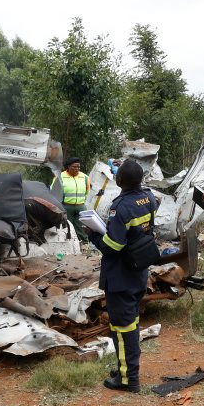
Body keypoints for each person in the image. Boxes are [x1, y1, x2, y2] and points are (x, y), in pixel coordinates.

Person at [86, 160, 158, 392]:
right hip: (137, 271)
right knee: (129, 323)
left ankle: (129, 379)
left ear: (119, 181)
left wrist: (93, 235)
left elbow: (112, 245)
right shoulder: (148, 199)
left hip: (121, 275)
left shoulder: (122, 207)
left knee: (123, 327)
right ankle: (124, 368)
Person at [51, 157, 91, 242]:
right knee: (67, 227)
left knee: (82, 227)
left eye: (78, 167)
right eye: (74, 167)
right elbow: (54, 192)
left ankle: (83, 244)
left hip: (81, 207)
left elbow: (87, 191)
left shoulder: (85, 177)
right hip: (66, 207)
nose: (77, 169)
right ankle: (68, 244)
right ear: (68, 167)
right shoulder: (60, 177)